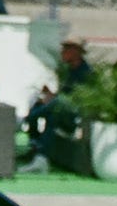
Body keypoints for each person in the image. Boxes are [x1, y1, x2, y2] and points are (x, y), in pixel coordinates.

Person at [24, 36, 88, 168]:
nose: (63, 52)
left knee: (55, 106)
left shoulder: (85, 72)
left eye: (67, 49)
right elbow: (65, 93)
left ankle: (27, 119)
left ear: (76, 51)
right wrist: (49, 95)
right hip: (62, 109)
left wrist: (54, 98)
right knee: (42, 104)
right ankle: (36, 150)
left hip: (75, 116)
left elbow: (76, 99)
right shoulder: (70, 70)